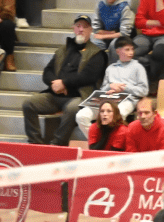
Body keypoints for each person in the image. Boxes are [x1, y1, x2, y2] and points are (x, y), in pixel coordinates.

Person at [22, 15, 106, 146]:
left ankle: (57, 143)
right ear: (73, 28)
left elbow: (88, 76)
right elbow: (47, 71)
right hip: (55, 94)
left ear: (90, 30)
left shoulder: (97, 53)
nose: (81, 29)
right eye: (78, 26)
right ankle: (35, 143)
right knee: (29, 103)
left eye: (85, 27)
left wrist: (64, 83)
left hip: (80, 95)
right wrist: (54, 84)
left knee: (72, 109)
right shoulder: (63, 50)